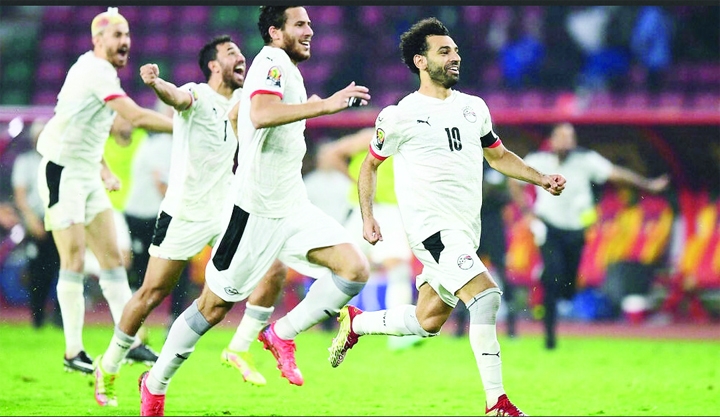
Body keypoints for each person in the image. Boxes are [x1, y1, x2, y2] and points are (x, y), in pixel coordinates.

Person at [327, 18, 567, 416]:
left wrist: (540, 178)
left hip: (464, 230)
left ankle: (356, 324)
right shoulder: (400, 115)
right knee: (487, 296)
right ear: (421, 61)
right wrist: (368, 217)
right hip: (432, 231)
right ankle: (497, 403)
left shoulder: (475, 108)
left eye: (455, 50)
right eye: (444, 51)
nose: (455, 57)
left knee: (427, 321)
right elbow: (369, 166)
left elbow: (499, 156)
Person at [139, 6, 372, 415]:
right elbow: (261, 113)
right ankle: (155, 383)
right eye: (300, 24)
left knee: (354, 269)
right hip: (254, 212)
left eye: (310, 24)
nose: (310, 30)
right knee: (213, 307)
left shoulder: (286, 68)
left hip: (292, 204)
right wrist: (325, 107)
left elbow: (241, 115)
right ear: (275, 32)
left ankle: (281, 334)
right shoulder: (270, 62)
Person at [93, 34, 288, 407]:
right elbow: (175, 97)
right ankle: (111, 363)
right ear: (214, 66)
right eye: (231, 53)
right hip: (184, 211)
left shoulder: (244, 104)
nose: (241, 57)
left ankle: (239, 347)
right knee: (152, 293)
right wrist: (155, 83)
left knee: (271, 266)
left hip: (226, 209)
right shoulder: (197, 93)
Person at [35, 7, 173, 374]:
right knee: (75, 260)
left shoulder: (101, 73)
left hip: (86, 174)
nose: (125, 41)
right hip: (61, 173)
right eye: (117, 35)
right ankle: (72, 352)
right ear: (98, 41)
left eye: (127, 35)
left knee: (113, 260)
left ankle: (131, 343)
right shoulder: (96, 72)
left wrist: (104, 170)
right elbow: (138, 117)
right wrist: (186, 125)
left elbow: (86, 131)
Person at [508, 122, 669, 350]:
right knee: (552, 276)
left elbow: (616, 174)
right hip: (549, 226)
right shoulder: (539, 161)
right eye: (561, 137)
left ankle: (562, 288)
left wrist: (647, 185)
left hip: (576, 229)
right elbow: (514, 180)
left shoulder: (586, 160)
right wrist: (526, 212)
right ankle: (550, 336)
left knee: (568, 284)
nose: (565, 141)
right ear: (552, 140)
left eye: (569, 137)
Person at [318, 127, 422, 350]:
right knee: (342, 268)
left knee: (398, 269)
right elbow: (332, 154)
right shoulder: (372, 136)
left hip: (391, 212)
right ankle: (316, 319)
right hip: (361, 209)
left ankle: (398, 333)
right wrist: (358, 183)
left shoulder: (413, 142)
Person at [453, 159, 518, 338]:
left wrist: (485, 192)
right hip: (473, 227)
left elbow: (506, 196)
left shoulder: (498, 166)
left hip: (494, 227)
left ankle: (512, 326)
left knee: (503, 274)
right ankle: (459, 325)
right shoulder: (465, 165)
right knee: (465, 273)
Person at [11, 118, 62, 329]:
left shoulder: (58, 161)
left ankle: (60, 319)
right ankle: (37, 318)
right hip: (36, 222)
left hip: (58, 221)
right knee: (38, 272)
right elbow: (20, 196)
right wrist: (32, 221)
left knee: (63, 269)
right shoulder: (25, 162)